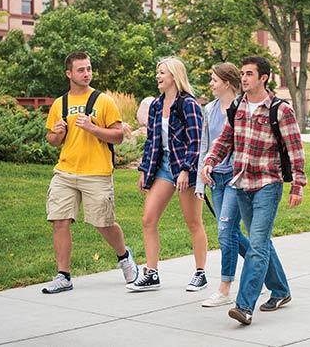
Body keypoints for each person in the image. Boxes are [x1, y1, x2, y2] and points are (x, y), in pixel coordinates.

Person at [201, 56, 307, 326]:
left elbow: (295, 149)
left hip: (267, 186)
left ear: (264, 78)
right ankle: (281, 290)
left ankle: (244, 306)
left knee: (257, 245)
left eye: (249, 74)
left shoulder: (280, 110)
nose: (244, 78)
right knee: (262, 244)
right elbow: (226, 138)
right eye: (242, 73)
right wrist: (210, 161)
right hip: (240, 184)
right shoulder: (238, 106)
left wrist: (297, 184)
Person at [42, 51, 138, 294]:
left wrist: (92, 128)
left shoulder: (102, 101)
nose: (87, 74)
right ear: (69, 73)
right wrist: (58, 134)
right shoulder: (59, 104)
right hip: (65, 172)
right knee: (59, 220)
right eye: (81, 70)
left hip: (96, 173)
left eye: (89, 69)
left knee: (104, 223)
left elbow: (117, 136)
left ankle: (124, 256)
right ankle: (63, 275)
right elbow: (51, 140)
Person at [128, 57, 207, 292]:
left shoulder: (188, 104)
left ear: (174, 75)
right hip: (163, 167)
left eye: (162, 72)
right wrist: (145, 170)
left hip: (185, 167)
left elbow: (196, 141)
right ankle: (151, 273)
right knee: (148, 219)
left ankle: (200, 273)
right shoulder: (155, 105)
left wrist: (186, 169)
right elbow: (151, 141)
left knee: (193, 222)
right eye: (157, 72)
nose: (157, 76)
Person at [195, 63, 251, 307]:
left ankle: (224, 288)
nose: (211, 84)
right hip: (214, 177)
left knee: (225, 231)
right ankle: (261, 271)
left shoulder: (242, 107)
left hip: (235, 177)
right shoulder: (209, 109)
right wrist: (200, 182)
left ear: (227, 83)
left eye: (214, 80)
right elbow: (205, 145)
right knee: (231, 232)